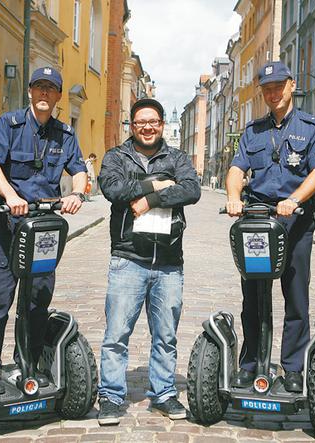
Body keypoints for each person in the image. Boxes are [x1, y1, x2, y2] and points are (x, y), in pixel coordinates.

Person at [225, 61, 315, 393]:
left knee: (295, 295)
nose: (272, 93)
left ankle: (291, 367)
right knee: (254, 295)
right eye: (266, 89)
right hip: (258, 221)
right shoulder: (253, 131)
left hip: (295, 222)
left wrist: (295, 199)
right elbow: (237, 167)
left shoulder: (313, 127)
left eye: (277, 86)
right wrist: (233, 196)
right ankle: (250, 363)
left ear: (291, 85)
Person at [0, 66, 88, 395]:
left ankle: (28, 364)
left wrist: (76, 194)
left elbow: (79, 170)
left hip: (43, 230)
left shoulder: (65, 134)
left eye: (50, 89)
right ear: (30, 92)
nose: (44, 94)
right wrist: (11, 195)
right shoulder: (9, 125)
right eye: (39, 87)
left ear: (57, 96)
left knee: (37, 301)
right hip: (8, 226)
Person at [96, 98, 201, 425]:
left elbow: (192, 189)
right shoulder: (117, 157)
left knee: (166, 335)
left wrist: (151, 199)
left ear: (160, 123)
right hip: (128, 257)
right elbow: (113, 188)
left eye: (153, 121)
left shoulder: (177, 157)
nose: (148, 126)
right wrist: (160, 183)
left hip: (169, 260)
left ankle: (164, 393)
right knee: (116, 335)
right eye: (141, 121)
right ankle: (112, 396)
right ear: (132, 125)